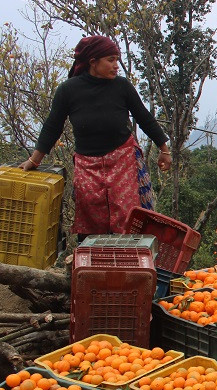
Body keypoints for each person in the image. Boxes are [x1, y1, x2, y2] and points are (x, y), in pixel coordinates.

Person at [20, 35, 172, 238]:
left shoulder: (122, 87)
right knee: (91, 220)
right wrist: (34, 160)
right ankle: (93, 264)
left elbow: (144, 118)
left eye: (117, 60)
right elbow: (52, 127)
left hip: (122, 161)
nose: (116, 66)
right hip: (87, 165)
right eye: (110, 60)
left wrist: (164, 149)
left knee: (127, 218)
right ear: (93, 61)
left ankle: (128, 263)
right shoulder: (68, 90)